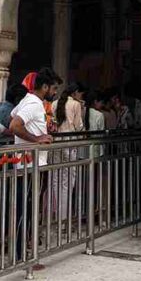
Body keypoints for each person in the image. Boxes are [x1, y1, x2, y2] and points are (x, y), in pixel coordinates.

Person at [9, 68, 60, 261]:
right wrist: (35, 139)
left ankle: (21, 250)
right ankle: (20, 253)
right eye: (53, 88)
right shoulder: (34, 103)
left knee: (26, 208)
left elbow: (12, 115)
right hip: (30, 164)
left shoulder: (28, 100)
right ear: (45, 87)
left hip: (29, 163)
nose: (55, 92)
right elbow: (14, 125)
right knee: (25, 209)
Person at [52, 83, 85, 221]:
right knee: (68, 181)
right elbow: (79, 126)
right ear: (75, 92)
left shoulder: (54, 104)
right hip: (70, 144)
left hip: (56, 143)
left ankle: (57, 216)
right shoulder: (75, 104)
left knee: (55, 179)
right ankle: (64, 218)